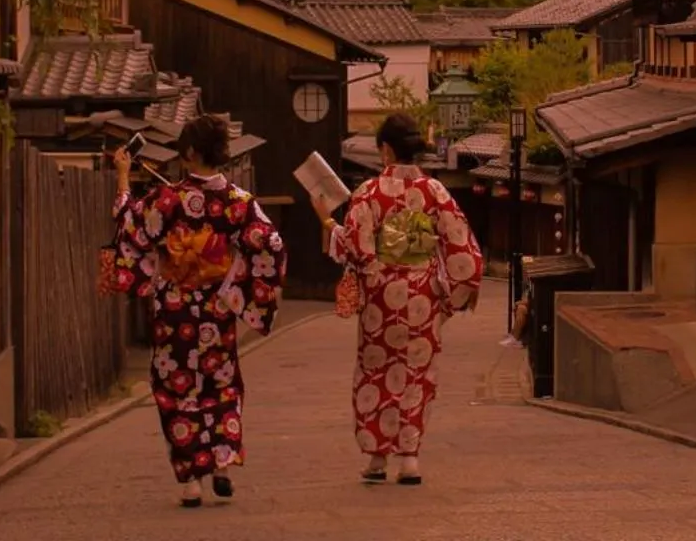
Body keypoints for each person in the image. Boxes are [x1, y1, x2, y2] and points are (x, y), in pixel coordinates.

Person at [110, 115, 287, 507]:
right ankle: (221, 463)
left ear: (190, 152)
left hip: (175, 307)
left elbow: (130, 228)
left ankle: (191, 479)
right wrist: (237, 288)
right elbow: (271, 245)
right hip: (216, 306)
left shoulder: (167, 199)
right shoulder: (239, 203)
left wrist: (123, 178)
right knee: (220, 383)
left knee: (176, 388)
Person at [314, 112, 484, 486]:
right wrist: (450, 298)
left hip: (380, 299)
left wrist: (329, 224)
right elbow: (463, 250)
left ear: (386, 150)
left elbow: (357, 246)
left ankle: (377, 459)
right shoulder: (435, 192)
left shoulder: (369, 193)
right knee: (417, 375)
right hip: (422, 296)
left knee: (375, 374)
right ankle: (410, 459)